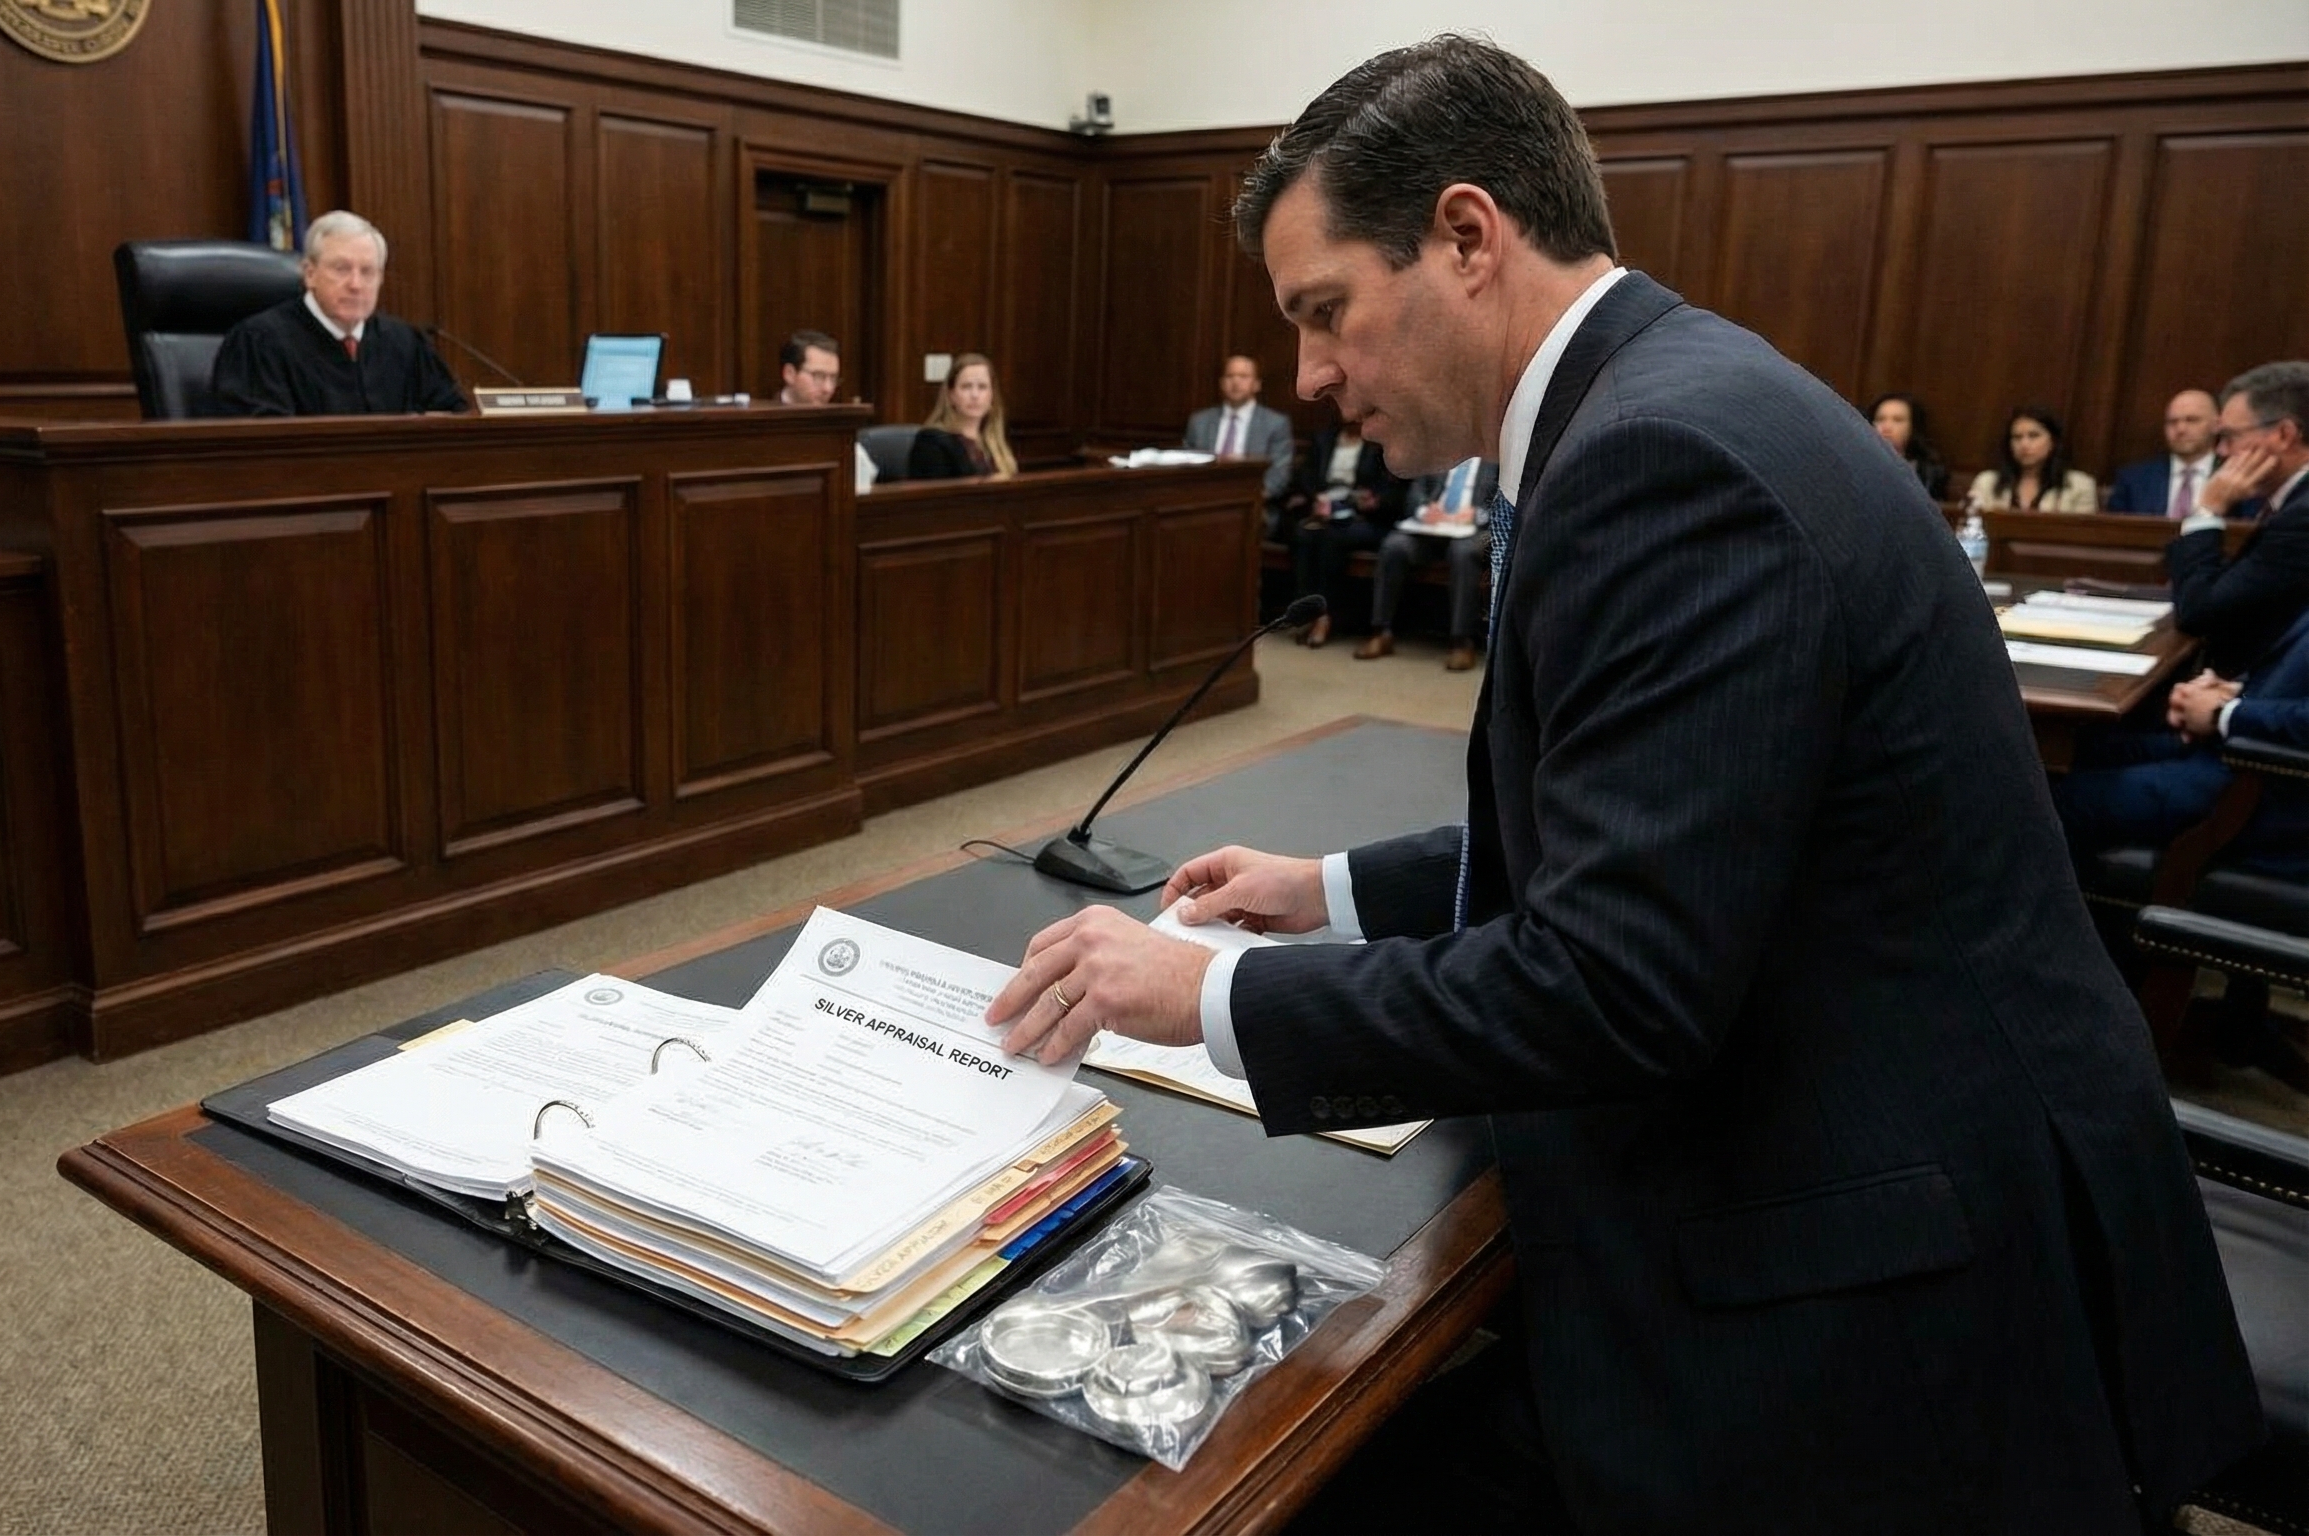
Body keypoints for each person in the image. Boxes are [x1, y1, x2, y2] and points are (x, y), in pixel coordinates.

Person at [983, 35, 2256, 1533]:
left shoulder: (1662, 460)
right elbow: (1664, 822)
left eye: (1325, 313)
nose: (1315, 376)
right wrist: (1323, 891)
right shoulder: (1666, 393)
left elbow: (1616, 983)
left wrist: (1199, 999)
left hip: (1883, 1279)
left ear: (1466, 237)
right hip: (1896, 1131)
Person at [2054, 605, 2309, 873]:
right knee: (2082, 748)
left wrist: (2226, 712)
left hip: (2258, 787)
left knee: (2061, 799)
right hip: (2229, 752)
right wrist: (2227, 692)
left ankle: (2066, 913)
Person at [208, 210, 466, 417]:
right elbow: (262, 444)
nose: (355, 284)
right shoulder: (259, 342)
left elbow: (452, 413)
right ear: (310, 273)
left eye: (367, 271)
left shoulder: (406, 343)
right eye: (341, 269)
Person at [2169, 360, 2309, 676]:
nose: (2221, 451)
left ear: (2284, 434)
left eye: (2230, 437)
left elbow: (2198, 611)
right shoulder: (2294, 504)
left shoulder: (2302, 518)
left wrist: (2207, 510)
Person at [1358, 455, 1497, 668]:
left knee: (1463, 552)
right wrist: (1425, 510)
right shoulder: (1437, 453)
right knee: (1394, 545)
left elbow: (1507, 502)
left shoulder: (1495, 459)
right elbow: (1415, 495)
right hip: (1431, 529)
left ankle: (1461, 641)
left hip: (1474, 530)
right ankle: (1381, 631)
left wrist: (1476, 514)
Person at [1280, 422, 1399, 646]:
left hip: (1366, 518)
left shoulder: (1381, 441)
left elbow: (1392, 489)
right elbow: (1306, 476)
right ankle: (1307, 611)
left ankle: (1326, 616)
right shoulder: (1324, 439)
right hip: (1325, 512)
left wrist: (1372, 502)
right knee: (1303, 534)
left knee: (1331, 537)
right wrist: (1317, 501)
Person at [1183, 354, 1296, 523]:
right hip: (1203, 504)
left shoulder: (1276, 424)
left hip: (1253, 506)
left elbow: (1278, 476)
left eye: (1243, 376)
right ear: (1222, 383)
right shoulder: (1199, 422)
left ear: (1256, 384)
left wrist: (1240, 500)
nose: (1235, 382)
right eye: (1230, 376)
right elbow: (1185, 468)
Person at [2106, 389, 2221, 519]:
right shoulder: (2133, 480)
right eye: (2172, 422)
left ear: (2216, 425)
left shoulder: (2238, 476)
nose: (2180, 429)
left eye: (2192, 420)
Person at [1966, 405, 2098, 511]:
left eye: (2033, 436)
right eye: (2017, 437)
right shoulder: (1986, 482)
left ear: (2053, 441)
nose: (2024, 445)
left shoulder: (2080, 486)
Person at [919, 353, 1017, 479]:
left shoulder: (994, 441)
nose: (975, 395)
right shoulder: (932, 442)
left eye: (982, 387)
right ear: (951, 395)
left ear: (992, 396)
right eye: (966, 387)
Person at [1866, 392, 1947, 500]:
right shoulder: (1858, 463)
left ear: (1913, 427)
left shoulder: (1930, 470)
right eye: (1880, 419)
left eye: (1897, 420)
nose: (1886, 427)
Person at [777, 330, 840, 406]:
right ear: (789, 374)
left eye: (833, 378)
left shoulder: (839, 416)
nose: (828, 388)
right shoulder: (765, 414)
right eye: (818, 376)